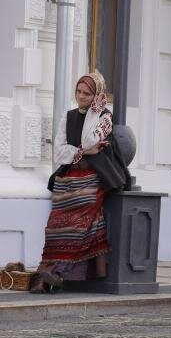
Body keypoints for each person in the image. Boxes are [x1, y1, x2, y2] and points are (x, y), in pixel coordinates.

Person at [36, 72, 122, 292]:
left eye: (87, 93)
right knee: (56, 221)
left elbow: (88, 139)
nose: (81, 97)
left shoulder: (104, 117)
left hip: (93, 177)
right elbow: (60, 152)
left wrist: (93, 114)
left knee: (80, 214)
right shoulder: (69, 116)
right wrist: (84, 152)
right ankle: (47, 271)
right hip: (69, 175)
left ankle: (57, 272)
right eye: (79, 91)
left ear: (96, 95)